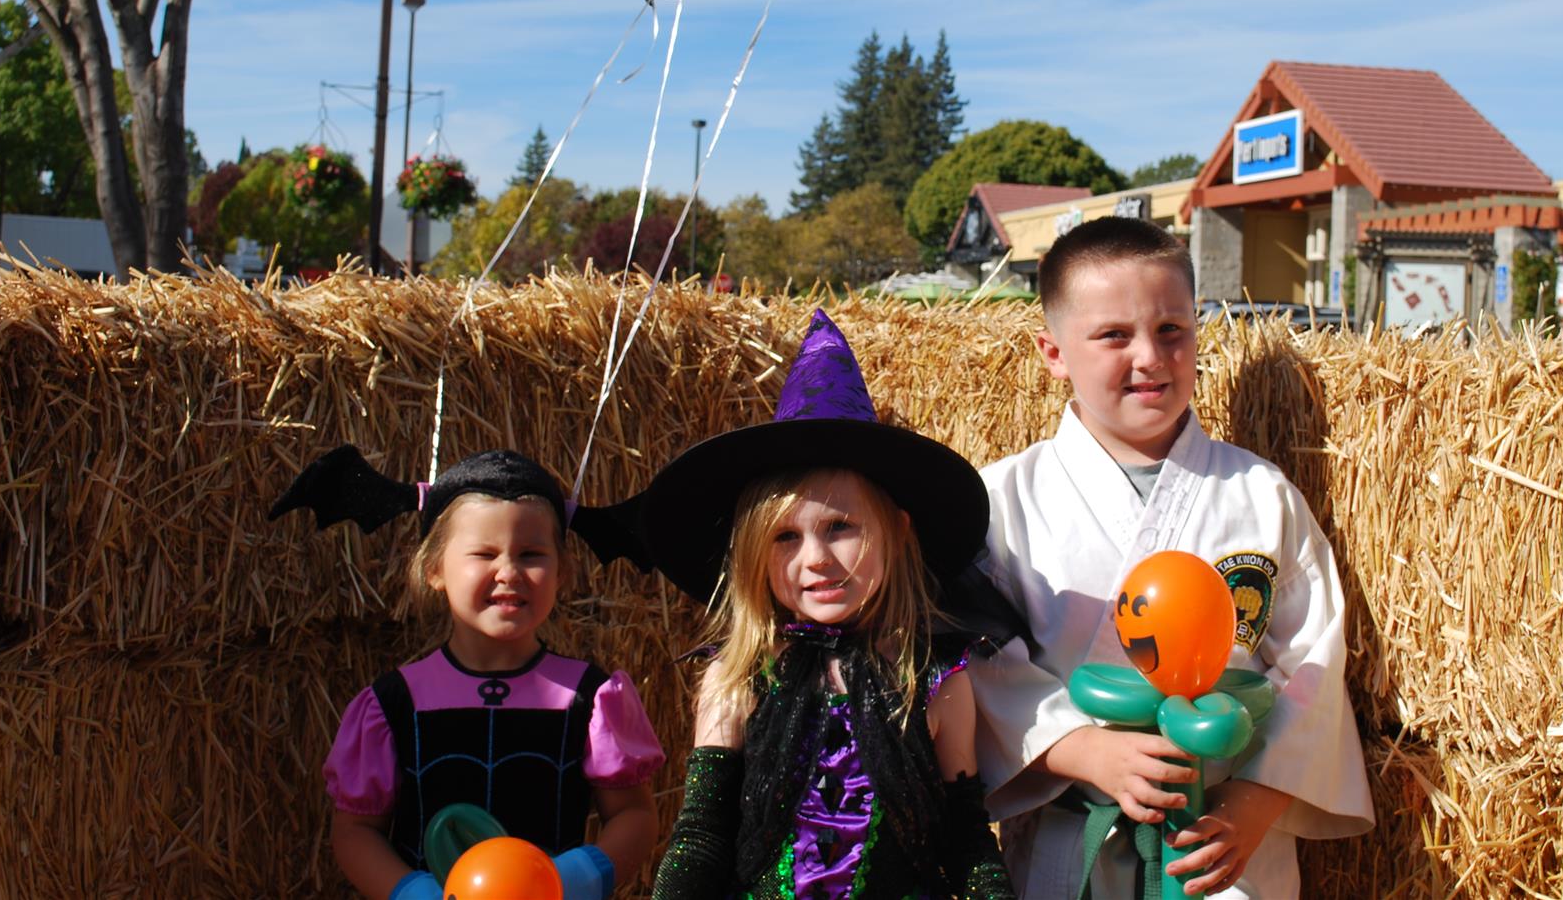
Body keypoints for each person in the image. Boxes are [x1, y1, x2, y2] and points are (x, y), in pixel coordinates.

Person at [969, 217, 1374, 899]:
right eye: (1112, 335)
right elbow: (982, 663)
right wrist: (1083, 749)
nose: (1150, 358)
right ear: (1053, 352)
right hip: (1071, 841)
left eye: (1171, 331)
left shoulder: (1259, 494)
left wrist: (1254, 803)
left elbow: (1313, 661)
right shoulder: (1003, 498)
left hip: (1222, 847)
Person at [643, 309, 1015, 899]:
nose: (813, 558)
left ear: (896, 531)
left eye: (839, 527)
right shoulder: (736, 677)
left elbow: (965, 837)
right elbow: (702, 836)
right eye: (785, 537)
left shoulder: (936, 677)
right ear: (754, 557)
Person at [271, 447, 663, 900]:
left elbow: (634, 815)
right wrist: (411, 893)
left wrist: (571, 879)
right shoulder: (394, 703)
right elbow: (356, 831)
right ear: (434, 568)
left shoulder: (590, 696)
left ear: (562, 571)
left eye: (532, 554)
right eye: (484, 553)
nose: (509, 572)